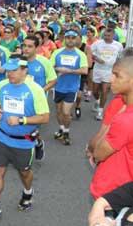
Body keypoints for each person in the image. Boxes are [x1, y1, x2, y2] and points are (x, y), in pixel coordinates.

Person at [0, 55, 50, 224]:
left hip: (23, 141)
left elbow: (45, 117)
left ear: (25, 70)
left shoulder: (35, 90)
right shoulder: (3, 85)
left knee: (24, 172)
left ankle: (28, 192)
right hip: (1, 136)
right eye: (8, 70)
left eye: (14, 70)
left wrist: (22, 120)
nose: (9, 73)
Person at [91, 53, 133, 200]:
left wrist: (118, 115)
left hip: (114, 193)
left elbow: (98, 153)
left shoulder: (126, 119)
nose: (110, 79)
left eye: (117, 75)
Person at [21, 35, 57, 160]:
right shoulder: (17, 61)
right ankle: (29, 145)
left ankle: (37, 143)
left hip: (38, 102)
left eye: (30, 46)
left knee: (32, 127)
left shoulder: (44, 62)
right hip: (20, 100)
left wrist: (40, 92)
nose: (26, 49)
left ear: (37, 48)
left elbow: (53, 80)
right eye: (24, 45)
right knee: (22, 126)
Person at [51, 29, 88, 145]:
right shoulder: (57, 52)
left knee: (66, 113)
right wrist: (58, 69)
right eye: (68, 37)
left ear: (77, 39)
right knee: (58, 111)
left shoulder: (80, 54)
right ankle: (61, 129)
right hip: (58, 87)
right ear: (64, 39)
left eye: (73, 38)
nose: (70, 40)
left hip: (72, 88)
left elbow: (84, 70)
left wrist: (68, 71)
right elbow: (50, 66)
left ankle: (66, 133)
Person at [91, 28, 123, 120]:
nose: (106, 37)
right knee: (95, 91)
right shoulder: (98, 43)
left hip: (109, 71)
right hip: (98, 69)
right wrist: (96, 58)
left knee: (105, 91)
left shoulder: (118, 45)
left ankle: (100, 112)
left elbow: (120, 57)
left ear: (113, 35)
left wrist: (117, 68)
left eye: (108, 36)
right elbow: (89, 52)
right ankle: (97, 100)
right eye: (105, 35)